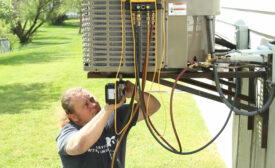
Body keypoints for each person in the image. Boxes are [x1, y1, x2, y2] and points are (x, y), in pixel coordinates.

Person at [56, 81, 160, 168]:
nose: (94, 104)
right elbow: (78, 146)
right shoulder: (67, 132)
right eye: (86, 105)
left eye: (92, 99)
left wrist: (135, 93)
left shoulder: (114, 116)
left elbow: (153, 106)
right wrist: (108, 108)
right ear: (73, 117)